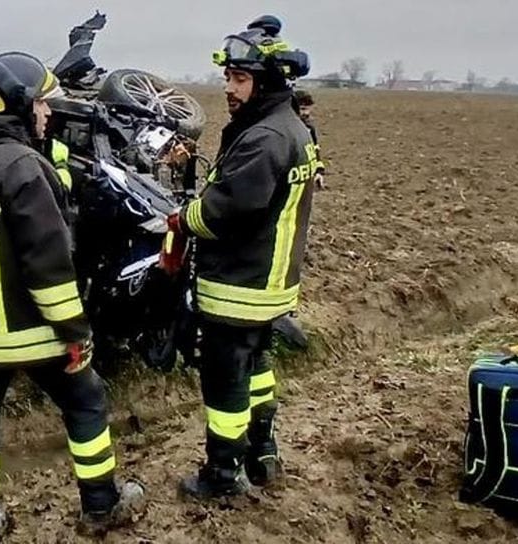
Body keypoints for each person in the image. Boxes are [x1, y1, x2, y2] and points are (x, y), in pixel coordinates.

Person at [0, 51, 144, 543]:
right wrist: (76, 334)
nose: (48, 113)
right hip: (31, 333)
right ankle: (101, 506)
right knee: (87, 400)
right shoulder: (27, 169)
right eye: (44, 103)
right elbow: (49, 267)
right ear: (23, 104)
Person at [165, 14, 317, 500]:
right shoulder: (292, 128)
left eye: (240, 78)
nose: (229, 87)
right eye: (228, 76)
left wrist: (183, 219)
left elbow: (226, 210)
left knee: (225, 378)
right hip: (271, 283)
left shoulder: (265, 138)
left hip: (238, 285)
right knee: (257, 367)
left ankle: (222, 476)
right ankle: (263, 452)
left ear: (267, 81)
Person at [294, 89, 327, 189]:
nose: (307, 113)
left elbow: (314, 150)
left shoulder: (309, 128)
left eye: (308, 109)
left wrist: (319, 171)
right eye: (302, 109)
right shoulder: (284, 129)